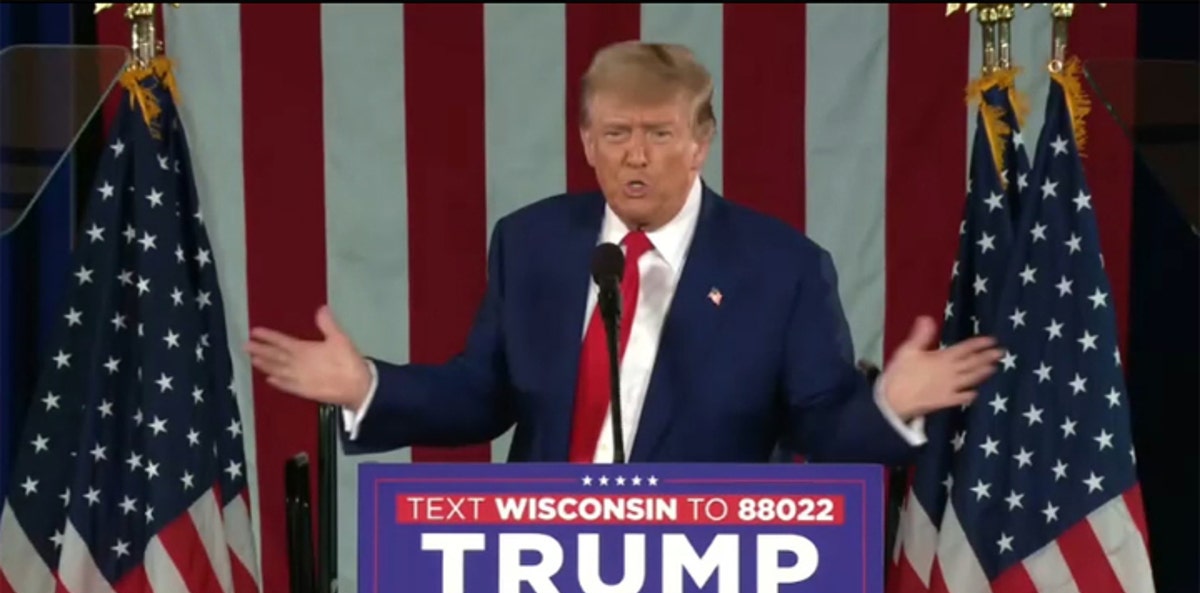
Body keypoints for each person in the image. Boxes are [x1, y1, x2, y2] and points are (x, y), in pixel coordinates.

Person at [246, 41, 1000, 468]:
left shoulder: (782, 268)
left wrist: (889, 405)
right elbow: (484, 394)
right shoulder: (532, 243)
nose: (636, 156)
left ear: (700, 142)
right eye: (616, 134)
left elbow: (820, 426)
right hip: (541, 573)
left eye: (660, 134)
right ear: (587, 142)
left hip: (707, 583)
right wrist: (367, 385)